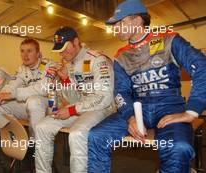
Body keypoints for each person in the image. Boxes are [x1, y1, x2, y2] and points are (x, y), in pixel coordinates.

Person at [88, 0, 206, 173]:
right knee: (96, 136)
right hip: (137, 109)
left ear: (137, 21)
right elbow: (121, 91)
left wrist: (192, 111)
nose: (116, 28)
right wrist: (130, 117)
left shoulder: (169, 39)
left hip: (169, 107)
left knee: (178, 148)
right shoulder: (120, 56)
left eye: (120, 23)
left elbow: (202, 67)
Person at [35, 26, 114, 173]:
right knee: (41, 127)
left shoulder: (98, 60)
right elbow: (75, 98)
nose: (63, 54)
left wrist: (71, 109)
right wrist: (65, 80)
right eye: (60, 50)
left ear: (76, 42)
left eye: (65, 48)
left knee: (76, 134)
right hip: (81, 108)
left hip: (101, 108)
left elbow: (104, 97)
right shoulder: (70, 64)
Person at [0, 38, 55, 139]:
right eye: (22, 51)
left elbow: (44, 88)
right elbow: (11, 86)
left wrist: (13, 94)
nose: (25, 55)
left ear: (38, 53)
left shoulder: (50, 65)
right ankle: (16, 135)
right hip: (30, 106)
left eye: (29, 51)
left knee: (33, 101)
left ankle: (34, 142)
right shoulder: (22, 69)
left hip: (50, 106)